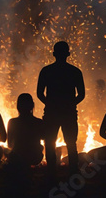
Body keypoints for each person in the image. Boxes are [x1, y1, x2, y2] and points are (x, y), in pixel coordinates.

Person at [37, 41, 85, 174]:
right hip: (68, 113)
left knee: (50, 142)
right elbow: (81, 94)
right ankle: (73, 171)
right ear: (68, 54)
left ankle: (51, 172)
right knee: (71, 143)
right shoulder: (75, 72)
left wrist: (49, 103)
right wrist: (71, 104)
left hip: (52, 113)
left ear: (53, 54)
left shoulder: (46, 71)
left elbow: (39, 93)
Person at [7, 93, 45, 166]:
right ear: (32, 106)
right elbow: (44, 137)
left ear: (18, 107)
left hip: (17, 157)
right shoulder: (38, 122)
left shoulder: (12, 122)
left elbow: (9, 144)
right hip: (35, 157)